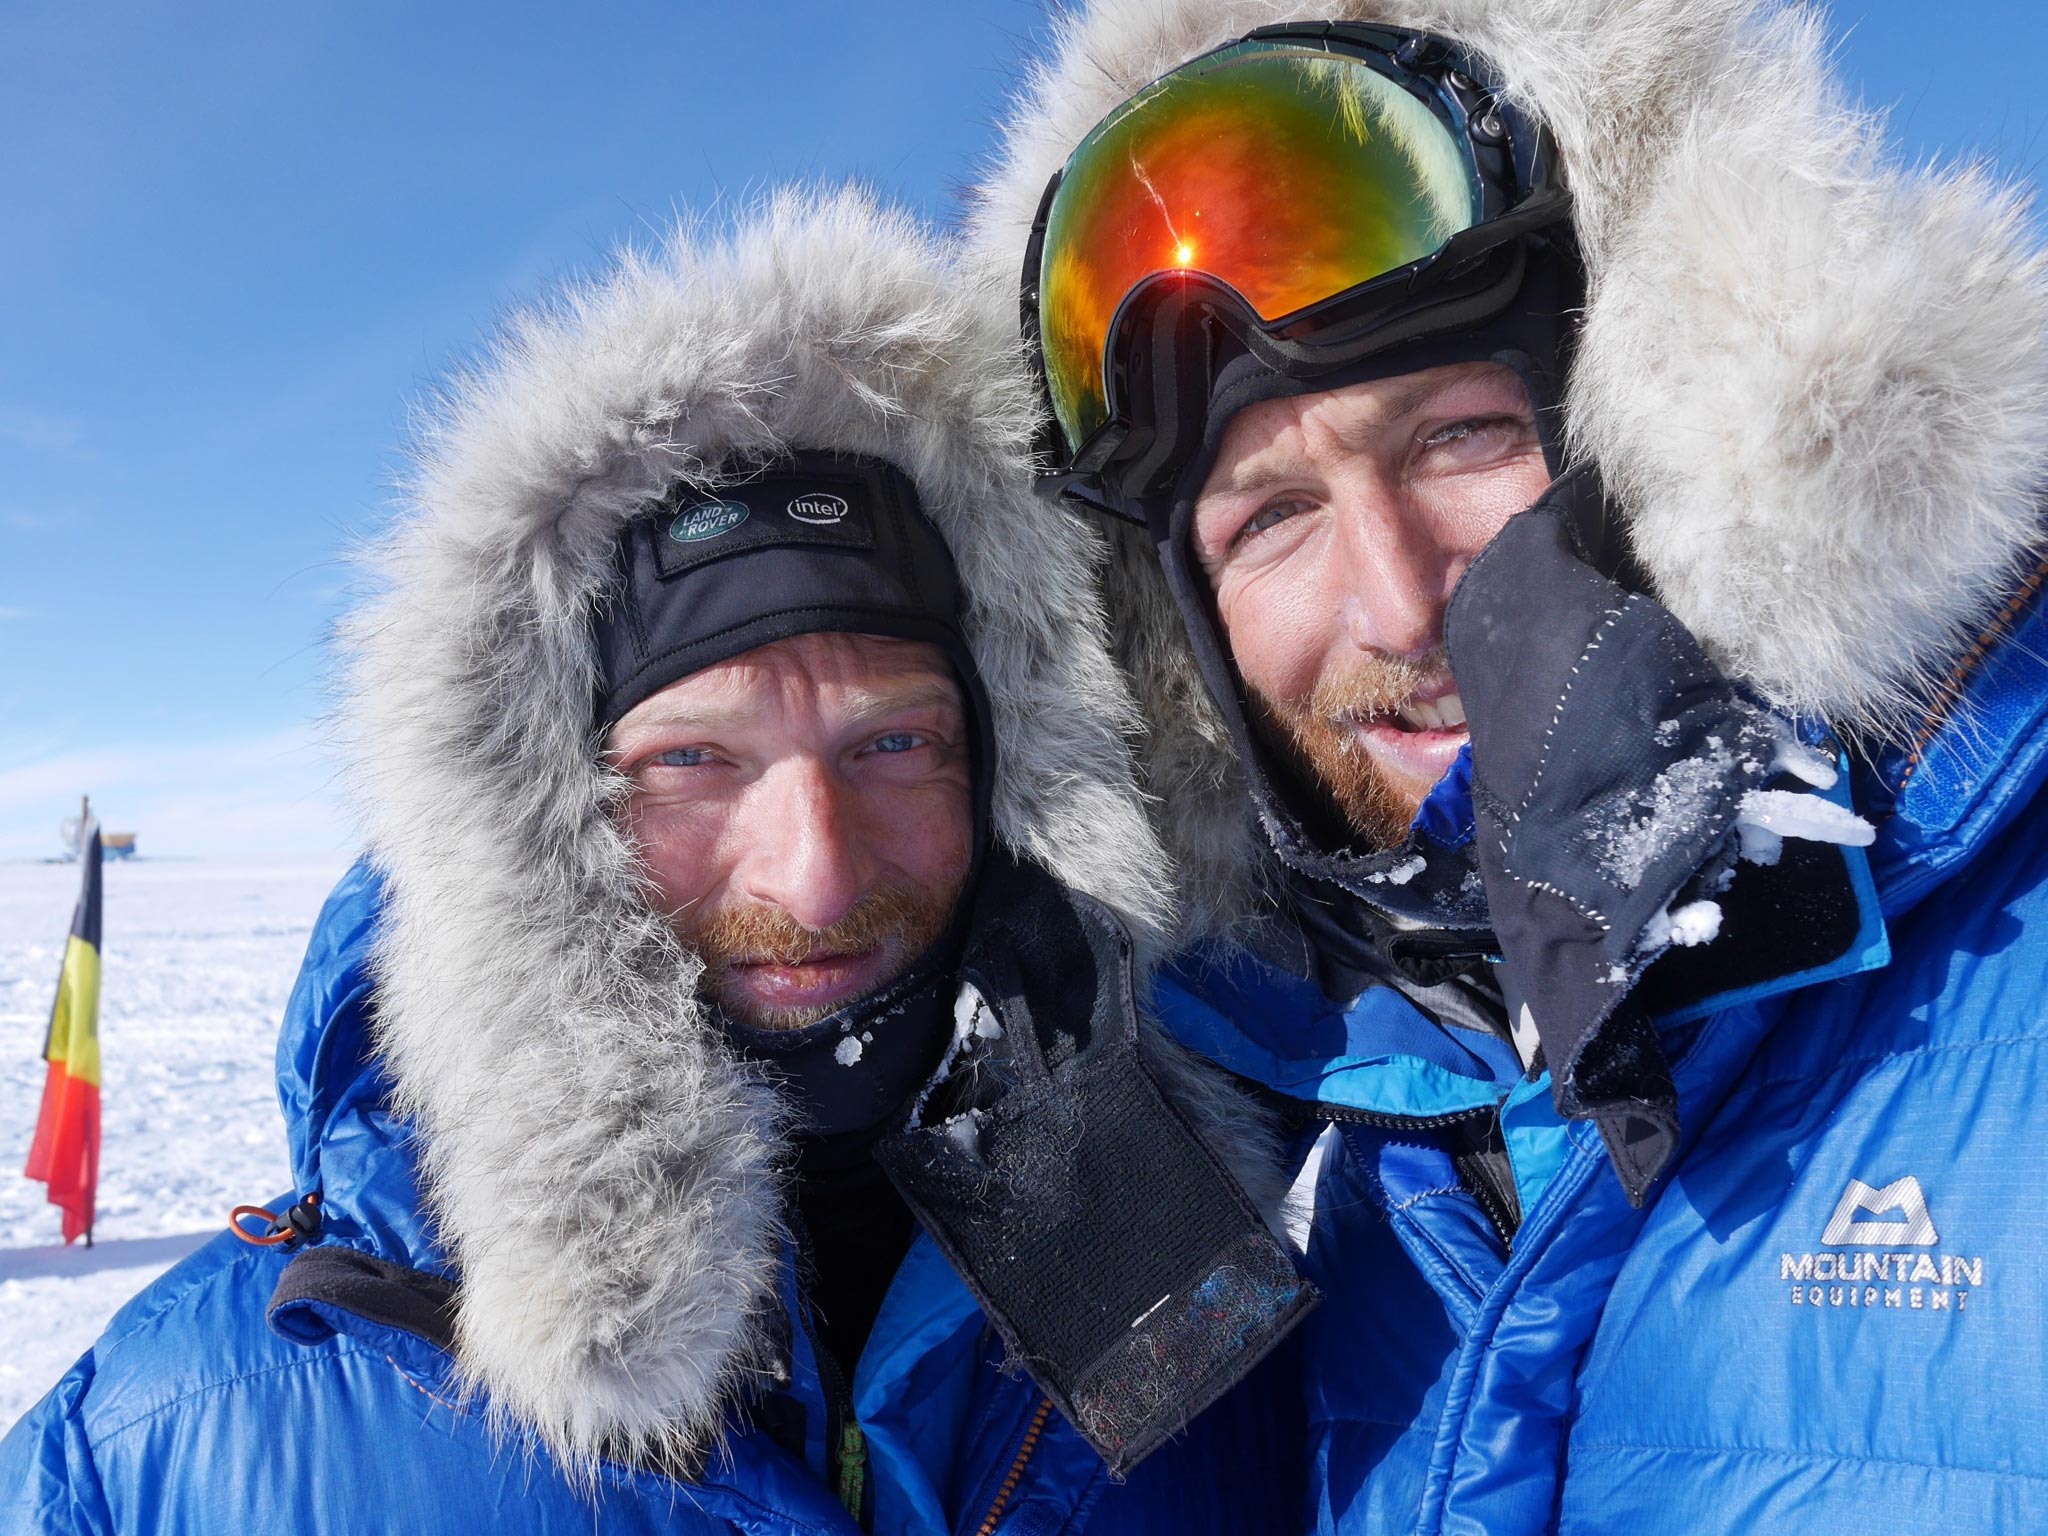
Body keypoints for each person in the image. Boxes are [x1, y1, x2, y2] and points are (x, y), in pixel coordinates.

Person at [0, 188, 1313, 1533]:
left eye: (896, 744)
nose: (817, 879)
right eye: (693, 762)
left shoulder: (1212, 1309)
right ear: (533, 827)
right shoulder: (165, 1450)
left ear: (1021, 771)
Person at [971, 0, 2048, 1530]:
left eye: (1458, 435)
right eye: (1269, 516)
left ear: (1664, 392)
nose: (1401, 600)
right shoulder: (1298, 1137)